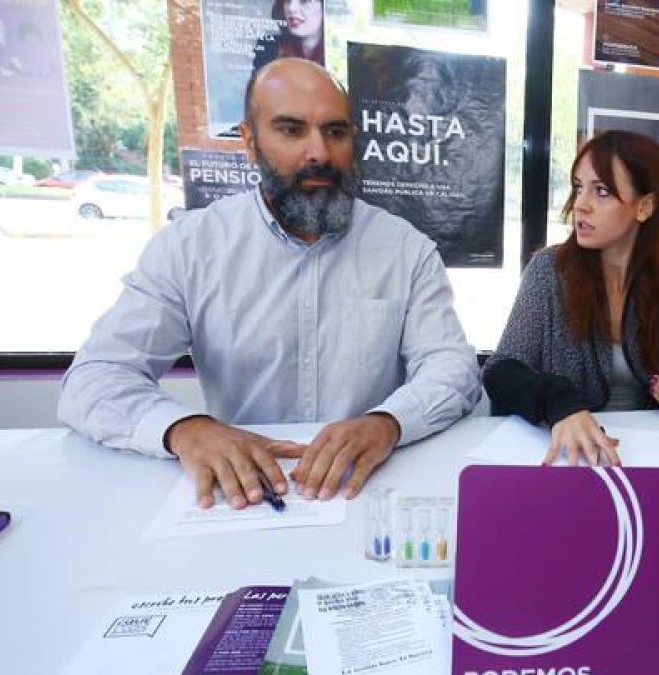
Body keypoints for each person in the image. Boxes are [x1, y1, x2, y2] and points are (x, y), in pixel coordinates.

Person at [58, 58, 481, 510]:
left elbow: (452, 369)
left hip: (367, 489)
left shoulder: (405, 249)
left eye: (335, 132)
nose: (318, 152)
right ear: (250, 141)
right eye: (291, 129)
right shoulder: (191, 246)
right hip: (241, 495)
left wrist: (387, 422)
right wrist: (184, 430)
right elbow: (94, 379)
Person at [483, 130, 659, 467]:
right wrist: (559, 402)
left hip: (650, 455)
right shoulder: (549, 270)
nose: (580, 204)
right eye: (579, 187)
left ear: (645, 206)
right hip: (570, 456)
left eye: (602, 191)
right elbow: (500, 373)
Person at [252, 0, 325, 72]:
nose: (291, 8)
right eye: (287, 0)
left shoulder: (334, 54)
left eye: (304, 1)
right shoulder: (269, 46)